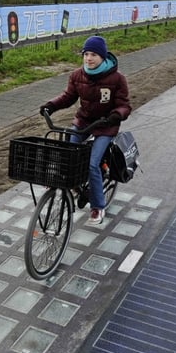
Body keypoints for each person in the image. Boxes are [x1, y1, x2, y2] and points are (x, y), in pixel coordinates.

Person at [40, 36, 132, 224]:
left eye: (94, 55)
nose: (88, 58)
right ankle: (71, 184)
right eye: (86, 54)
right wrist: (51, 106)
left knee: (92, 164)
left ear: (103, 56)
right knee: (69, 154)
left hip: (106, 126)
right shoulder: (77, 75)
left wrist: (117, 114)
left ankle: (98, 206)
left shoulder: (117, 78)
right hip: (83, 122)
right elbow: (68, 97)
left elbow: (124, 105)